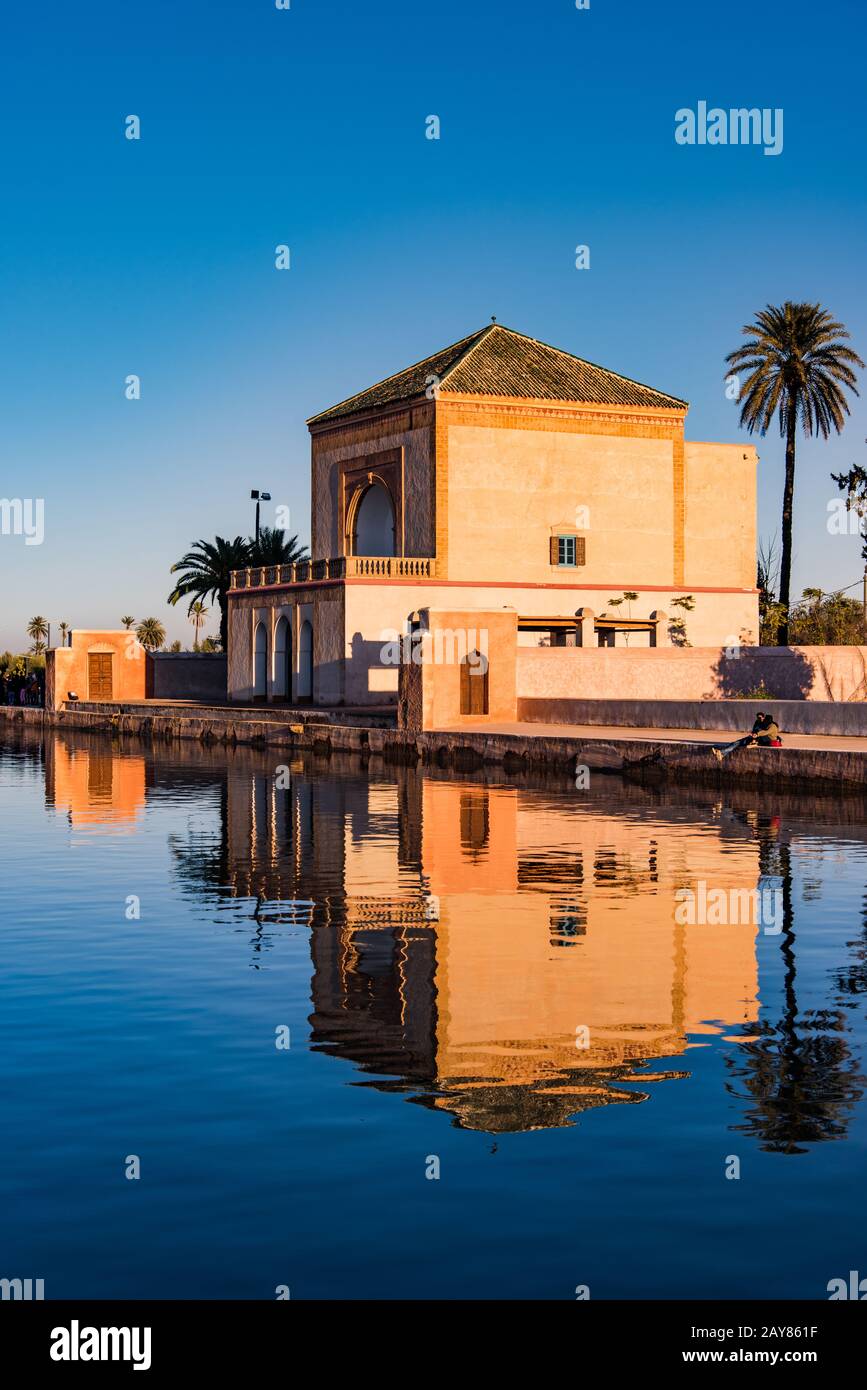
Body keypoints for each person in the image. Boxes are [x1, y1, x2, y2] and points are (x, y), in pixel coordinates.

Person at [713, 711, 782, 762]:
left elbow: (765, 732)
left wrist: (756, 735)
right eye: (758, 718)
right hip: (757, 738)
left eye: (761, 718)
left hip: (765, 740)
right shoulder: (760, 723)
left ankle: (720, 751)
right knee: (737, 743)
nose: (760, 719)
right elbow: (756, 730)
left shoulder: (772, 726)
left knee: (739, 743)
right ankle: (721, 753)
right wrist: (753, 734)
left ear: (764, 718)